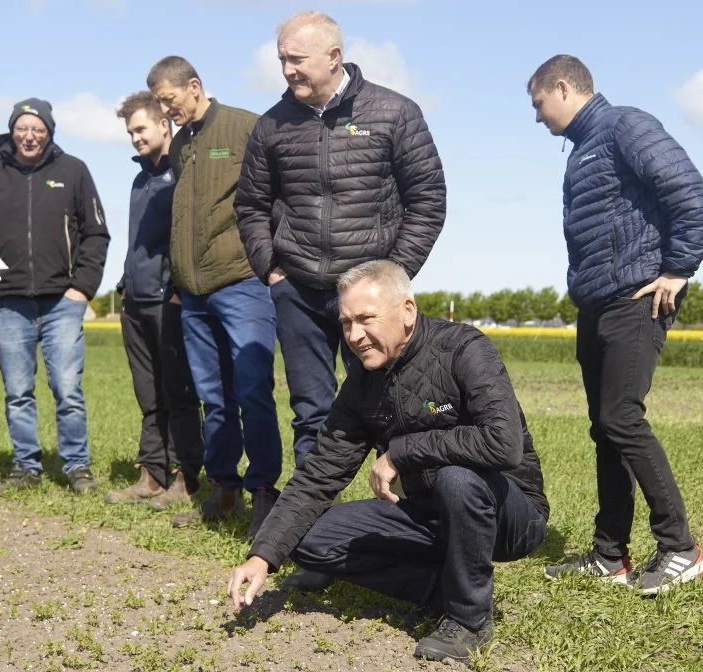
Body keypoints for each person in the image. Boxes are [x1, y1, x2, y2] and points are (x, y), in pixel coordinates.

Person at [227, 260, 549, 663]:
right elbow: (318, 474)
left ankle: (468, 620)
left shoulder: (465, 350)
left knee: (457, 479)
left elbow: (504, 445)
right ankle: (439, 586)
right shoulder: (363, 383)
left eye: (366, 319)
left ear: (407, 312)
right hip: (425, 511)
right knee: (308, 538)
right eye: (346, 322)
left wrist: (403, 450)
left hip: (509, 514)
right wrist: (263, 556)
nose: (354, 335)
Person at [528, 55, 703, 595]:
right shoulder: (583, 149)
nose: (537, 117)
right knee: (605, 428)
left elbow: (691, 193)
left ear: (562, 88)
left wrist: (677, 269)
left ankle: (681, 547)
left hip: (637, 299)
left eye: (538, 103)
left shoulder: (625, 126)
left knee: (621, 419)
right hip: (598, 304)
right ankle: (610, 555)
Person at [236, 11, 447, 473]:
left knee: (395, 406)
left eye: (297, 59)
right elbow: (250, 204)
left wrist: (390, 277)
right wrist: (272, 270)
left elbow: (428, 199)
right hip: (299, 292)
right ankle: (308, 530)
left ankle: (408, 521)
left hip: (372, 299)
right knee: (310, 412)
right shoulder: (272, 125)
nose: (288, 70)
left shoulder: (394, 112)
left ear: (334, 56)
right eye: (282, 60)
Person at [0, 98, 110, 496]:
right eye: (23, 128)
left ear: (50, 132)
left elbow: (97, 233)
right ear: (12, 130)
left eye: (38, 129)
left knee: (68, 389)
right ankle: (25, 467)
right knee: (18, 392)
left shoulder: (73, 171)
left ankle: (77, 467)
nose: (30, 136)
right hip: (10, 300)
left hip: (62, 302)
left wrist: (82, 288)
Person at [146, 57, 283, 538]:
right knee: (213, 399)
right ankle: (223, 488)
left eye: (169, 100)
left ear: (195, 86)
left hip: (243, 282)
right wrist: (181, 282)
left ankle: (264, 492)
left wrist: (272, 262)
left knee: (252, 390)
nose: (166, 112)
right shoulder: (181, 144)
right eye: (159, 104)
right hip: (194, 295)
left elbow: (276, 196)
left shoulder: (247, 126)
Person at [106, 91, 204, 509]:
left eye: (141, 129)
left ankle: (187, 477)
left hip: (172, 300)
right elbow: (137, 241)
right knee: (148, 395)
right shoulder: (140, 177)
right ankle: (151, 475)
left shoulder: (184, 171)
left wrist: (179, 286)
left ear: (165, 125)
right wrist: (126, 283)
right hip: (136, 301)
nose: (135, 138)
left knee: (179, 393)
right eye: (130, 132)